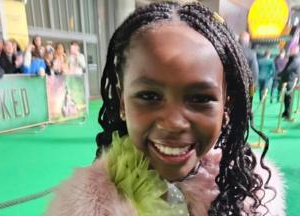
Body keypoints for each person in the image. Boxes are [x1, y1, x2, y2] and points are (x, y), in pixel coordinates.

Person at [47, 2, 285, 215]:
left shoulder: (253, 198)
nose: (173, 123)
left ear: (226, 108)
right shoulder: (80, 208)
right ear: (122, 102)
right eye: (149, 96)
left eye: (200, 99)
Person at [279, 45, 300, 121]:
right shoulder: (292, 58)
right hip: (287, 79)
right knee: (286, 97)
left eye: (292, 50)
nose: (290, 51)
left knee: (289, 98)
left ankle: (288, 114)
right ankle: (286, 112)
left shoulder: (296, 59)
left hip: (291, 80)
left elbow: (289, 69)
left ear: (296, 50)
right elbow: (286, 68)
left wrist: (281, 74)